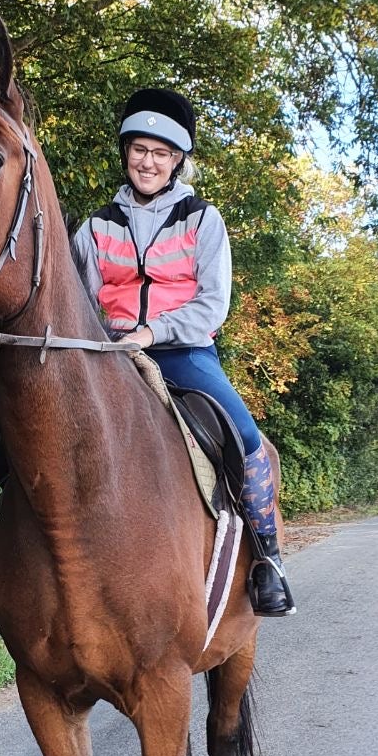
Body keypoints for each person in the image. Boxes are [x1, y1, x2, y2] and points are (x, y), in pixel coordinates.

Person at [71, 87, 295, 617]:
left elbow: (212, 305)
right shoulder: (94, 227)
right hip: (107, 352)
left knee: (244, 436)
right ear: (125, 152)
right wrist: (106, 335)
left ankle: (267, 559)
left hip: (184, 353)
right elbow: (75, 299)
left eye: (161, 153)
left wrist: (151, 333)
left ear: (176, 161)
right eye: (139, 150)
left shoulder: (202, 220)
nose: (148, 162)